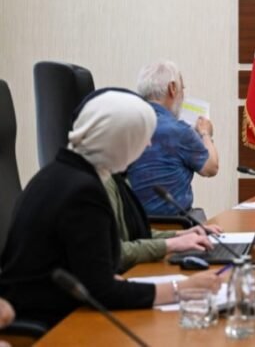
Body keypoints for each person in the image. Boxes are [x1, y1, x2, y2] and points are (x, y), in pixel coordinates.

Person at [0, 90, 219, 328]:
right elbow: (104, 292)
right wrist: (182, 289)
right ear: (121, 140)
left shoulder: (58, 173)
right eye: (143, 136)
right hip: (53, 324)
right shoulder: (84, 191)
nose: (147, 144)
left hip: (51, 309)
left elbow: (92, 268)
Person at [127, 61, 219, 218]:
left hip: (131, 225)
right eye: (182, 89)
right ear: (172, 88)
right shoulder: (179, 131)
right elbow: (211, 168)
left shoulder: (125, 126)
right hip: (176, 225)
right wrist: (205, 133)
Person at [103, 173, 218, 272]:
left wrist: (180, 235)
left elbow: (135, 232)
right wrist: (171, 245)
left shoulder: (119, 178)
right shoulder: (104, 182)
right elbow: (114, 252)